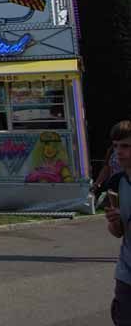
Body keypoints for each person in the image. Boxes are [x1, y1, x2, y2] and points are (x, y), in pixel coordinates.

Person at [104, 120, 131, 325]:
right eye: (115, 146)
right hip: (126, 273)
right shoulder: (116, 183)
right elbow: (118, 232)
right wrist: (114, 222)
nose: (118, 152)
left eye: (125, 146)